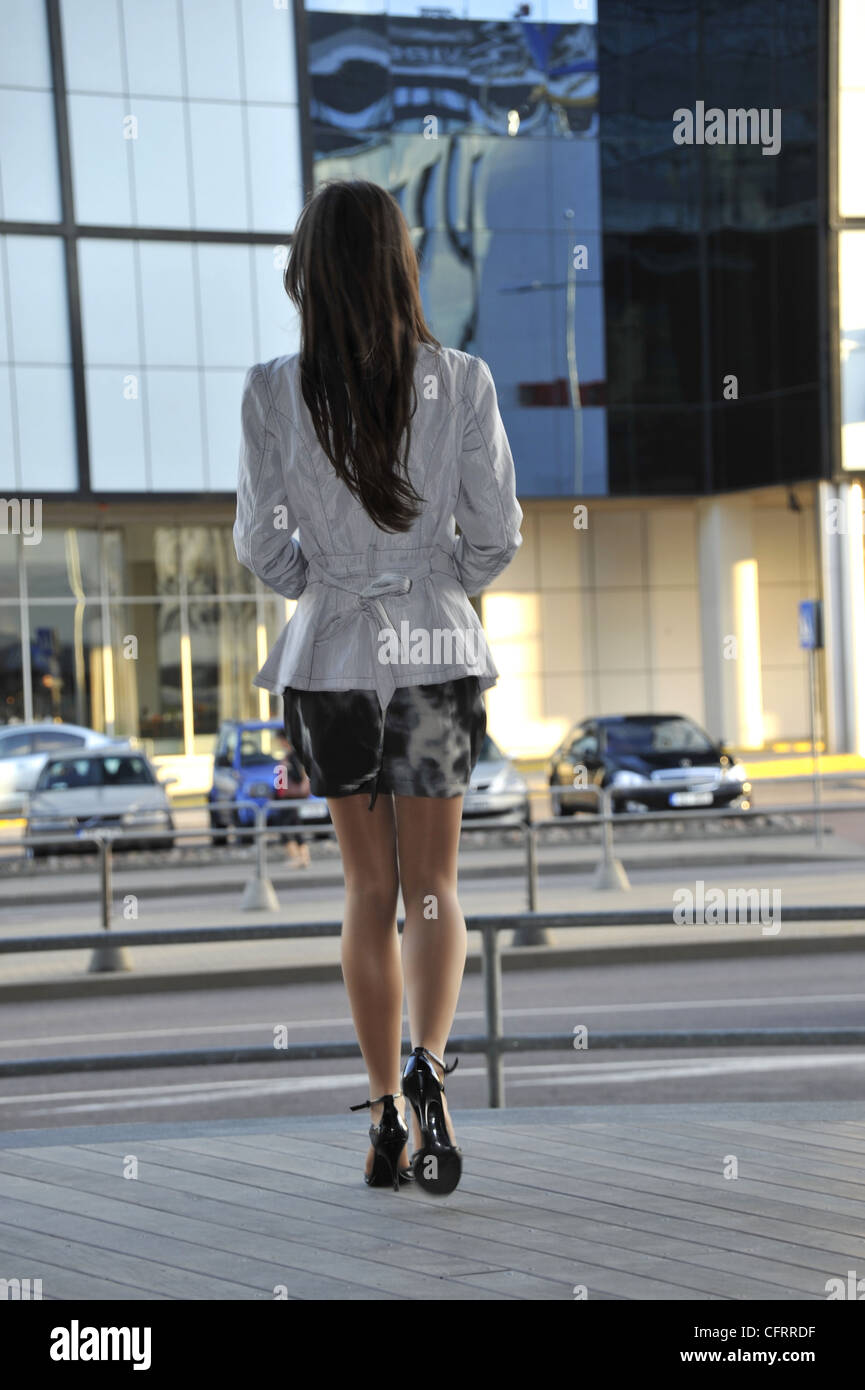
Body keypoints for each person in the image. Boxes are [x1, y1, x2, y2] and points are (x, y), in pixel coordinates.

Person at [234, 178, 522, 1196]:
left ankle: (385, 1114)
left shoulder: (274, 389)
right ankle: (432, 1068)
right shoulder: (463, 380)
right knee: (437, 889)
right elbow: (495, 536)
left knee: (367, 891)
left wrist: (325, 586)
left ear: (306, 270)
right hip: (436, 653)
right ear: (403, 263)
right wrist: (437, 582)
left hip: (332, 660)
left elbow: (259, 544)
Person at [272, 730, 311, 868]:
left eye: (280, 740)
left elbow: (297, 777)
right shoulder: (290, 756)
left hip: (290, 798)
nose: (279, 743)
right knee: (295, 826)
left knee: (287, 828)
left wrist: (285, 768)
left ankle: (297, 858)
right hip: (286, 798)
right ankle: (303, 858)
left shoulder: (292, 757)